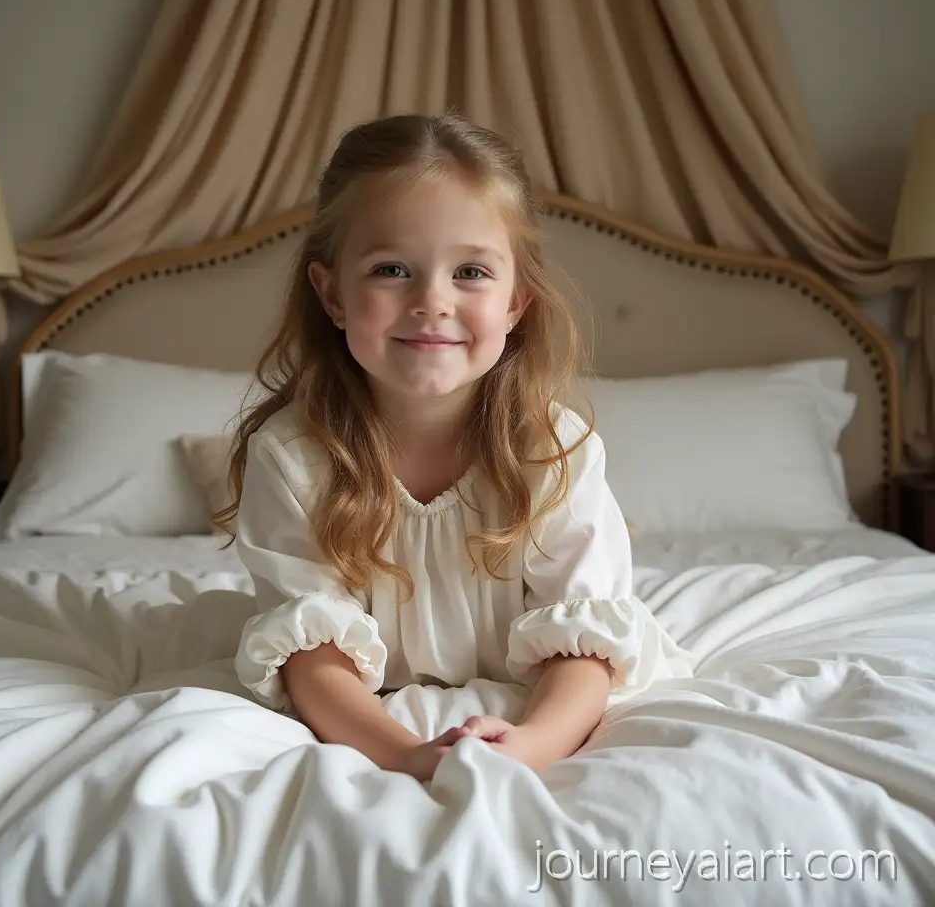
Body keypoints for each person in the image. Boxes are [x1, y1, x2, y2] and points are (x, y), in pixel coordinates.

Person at [215, 112, 692, 783]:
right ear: (332, 293)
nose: (432, 301)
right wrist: (404, 755)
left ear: (516, 305)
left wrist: (530, 745)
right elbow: (312, 659)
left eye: (470, 271)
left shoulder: (556, 451)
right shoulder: (294, 459)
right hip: (364, 719)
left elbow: (585, 647)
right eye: (391, 269)